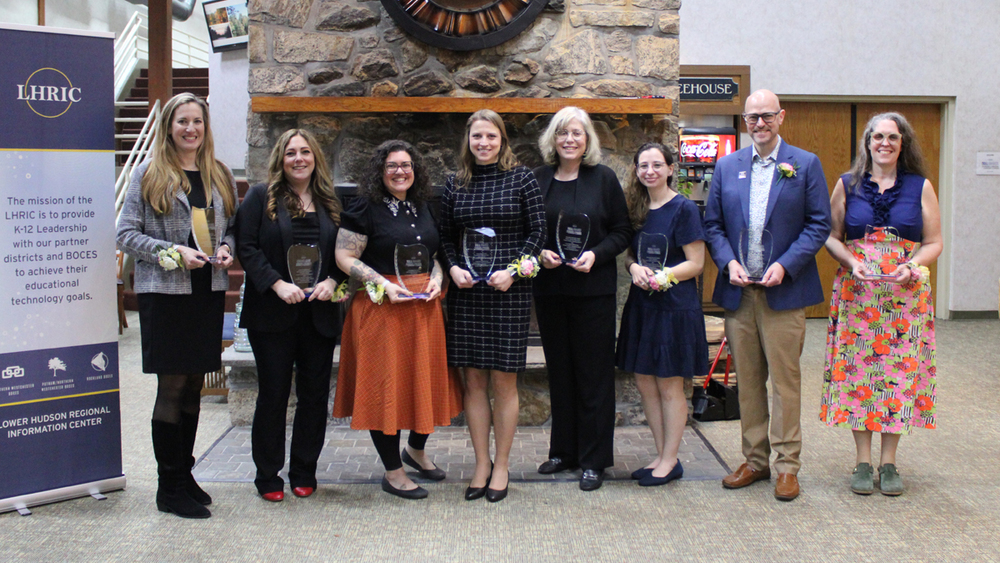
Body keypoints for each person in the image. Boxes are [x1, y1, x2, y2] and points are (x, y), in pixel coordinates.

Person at [703, 89, 832, 501]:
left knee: (785, 383)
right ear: (744, 121)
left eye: (767, 116)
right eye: (752, 117)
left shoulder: (805, 164)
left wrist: (787, 265)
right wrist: (727, 263)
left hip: (784, 293)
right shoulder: (727, 166)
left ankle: (787, 466)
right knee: (748, 383)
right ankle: (755, 460)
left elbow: (819, 224)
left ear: (781, 117)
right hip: (740, 293)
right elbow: (713, 225)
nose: (759, 123)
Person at [116, 92, 238, 519]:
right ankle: (168, 488)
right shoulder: (149, 173)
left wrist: (226, 247)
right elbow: (125, 234)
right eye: (182, 121)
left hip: (206, 291)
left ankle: (184, 475)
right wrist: (171, 252)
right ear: (169, 126)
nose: (191, 128)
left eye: (197, 121)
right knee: (170, 387)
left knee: (193, 386)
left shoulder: (218, 173)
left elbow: (231, 227)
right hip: (166, 294)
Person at [819, 112, 941, 496]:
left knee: (897, 376)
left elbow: (934, 241)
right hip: (859, 295)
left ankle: (889, 462)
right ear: (867, 142)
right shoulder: (847, 184)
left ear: (903, 143)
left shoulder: (921, 187)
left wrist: (912, 266)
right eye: (878, 137)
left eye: (892, 137)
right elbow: (831, 235)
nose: (884, 143)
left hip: (905, 299)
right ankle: (862, 460)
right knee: (860, 376)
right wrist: (850, 262)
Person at [333, 140, 463, 500]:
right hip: (383, 308)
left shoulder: (423, 205)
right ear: (380, 171)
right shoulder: (365, 207)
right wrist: (381, 284)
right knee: (385, 389)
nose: (400, 171)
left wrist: (438, 276)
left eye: (406, 165)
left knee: (428, 382)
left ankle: (416, 451)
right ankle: (393, 472)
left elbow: (433, 255)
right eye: (391, 165)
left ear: (415, 170)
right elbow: (344, 256)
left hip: (423, 308)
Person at [440, 109, 546, 502]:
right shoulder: (455, 183)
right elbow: (444, 235)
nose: (483, 143)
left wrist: (514, 271)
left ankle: (501, 465)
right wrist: (452, 267)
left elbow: (538, 231)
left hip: (508, 292)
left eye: (491, 136)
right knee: (473, 382)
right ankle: (481, 463)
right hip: (468, 293)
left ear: (502, 140)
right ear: (467, 141)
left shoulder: (522, 178)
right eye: (477, 136)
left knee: (503, 381)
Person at [236, 129, 346, 502]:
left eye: (305, 152)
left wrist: (334, 280)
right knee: (273, 394)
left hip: (319, 314)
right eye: (290, 153)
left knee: (314, 397)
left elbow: (347, 251)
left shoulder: (331, 201)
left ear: (316, 157)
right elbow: (247, 247)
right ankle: (268, 475)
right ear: (280, 160)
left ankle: (303, 471)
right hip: (272, 314)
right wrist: (276, 284)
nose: (298, 159)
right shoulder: (259, 196)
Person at [531, 107, 631, 491]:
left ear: (587, 139)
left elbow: (622, 231)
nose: (569, 139)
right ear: (552, 139)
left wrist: (596, 254)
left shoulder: (604, 179)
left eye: (576, 133)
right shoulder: (539, 179)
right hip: (551, 291)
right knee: (560, 373)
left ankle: (594, 459)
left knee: (594, 377)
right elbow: (528, 229)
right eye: (562, 133)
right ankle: (563, 451)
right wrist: (539, 252)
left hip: (593, 293)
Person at [616, 142, 708, 487]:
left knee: (669, 384)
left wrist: (663, 277)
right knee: (645, 382)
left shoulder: (684, 209)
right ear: (636, 170)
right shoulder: (637, 208)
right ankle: (660, 454)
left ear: (671, 169)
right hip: (643, 305)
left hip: (674, 308)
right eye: (643, 165)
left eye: (657, 165)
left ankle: (671, 459)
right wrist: (634, 268)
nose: (650, 171)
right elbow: (630, 254)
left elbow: (696, 263)